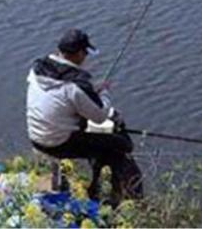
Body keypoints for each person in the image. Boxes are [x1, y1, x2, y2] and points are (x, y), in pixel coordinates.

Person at [26, 28, 143, 206]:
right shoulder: (76, 86)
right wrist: (103, 93)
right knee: (121, 144)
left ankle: (89, 182)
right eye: (85, 53)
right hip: (58, 143)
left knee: (94, 133)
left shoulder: (37, 70)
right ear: (79, 53)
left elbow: (59, 97)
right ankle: (112, 195)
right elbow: (100, 115)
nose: (85, 58)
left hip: (36, 136)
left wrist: (90, 91)